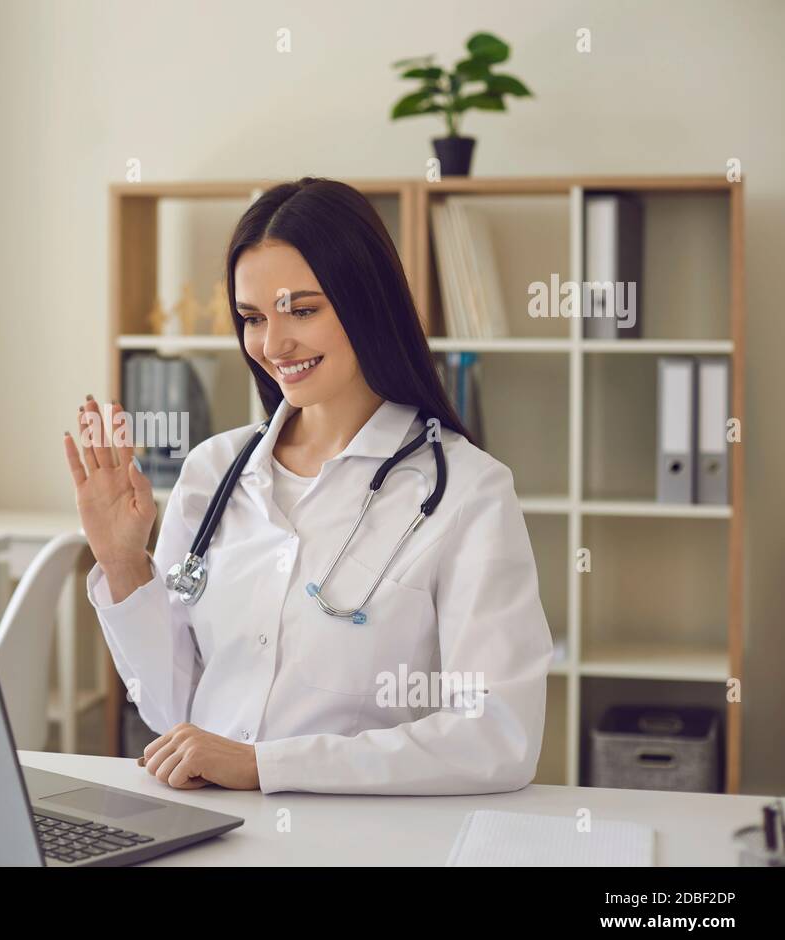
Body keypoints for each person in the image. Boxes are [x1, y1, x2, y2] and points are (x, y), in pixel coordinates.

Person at [62, 177, 552, 795]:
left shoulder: (468, 493)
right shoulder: (213, 473)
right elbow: (174, 713)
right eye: (252, 317)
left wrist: (268, 766)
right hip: (213, 826)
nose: (273, 343)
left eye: (303, 309)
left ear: (365, 301)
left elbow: (497, 738)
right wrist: (123, 561)